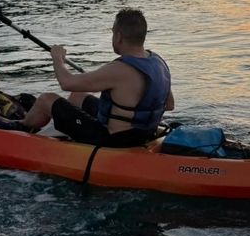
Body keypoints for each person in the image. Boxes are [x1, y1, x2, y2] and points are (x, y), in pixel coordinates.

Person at [20, 8, 174, 146]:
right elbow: (170, 105)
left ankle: (21, 127)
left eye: (113, 32)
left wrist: (57, 58)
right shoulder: (159, 63)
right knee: (77, 96)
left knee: (47, 99)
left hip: (115, 139)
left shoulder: (119, 69)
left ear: (119, 36)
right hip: (146, 133)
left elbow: (66, 83)